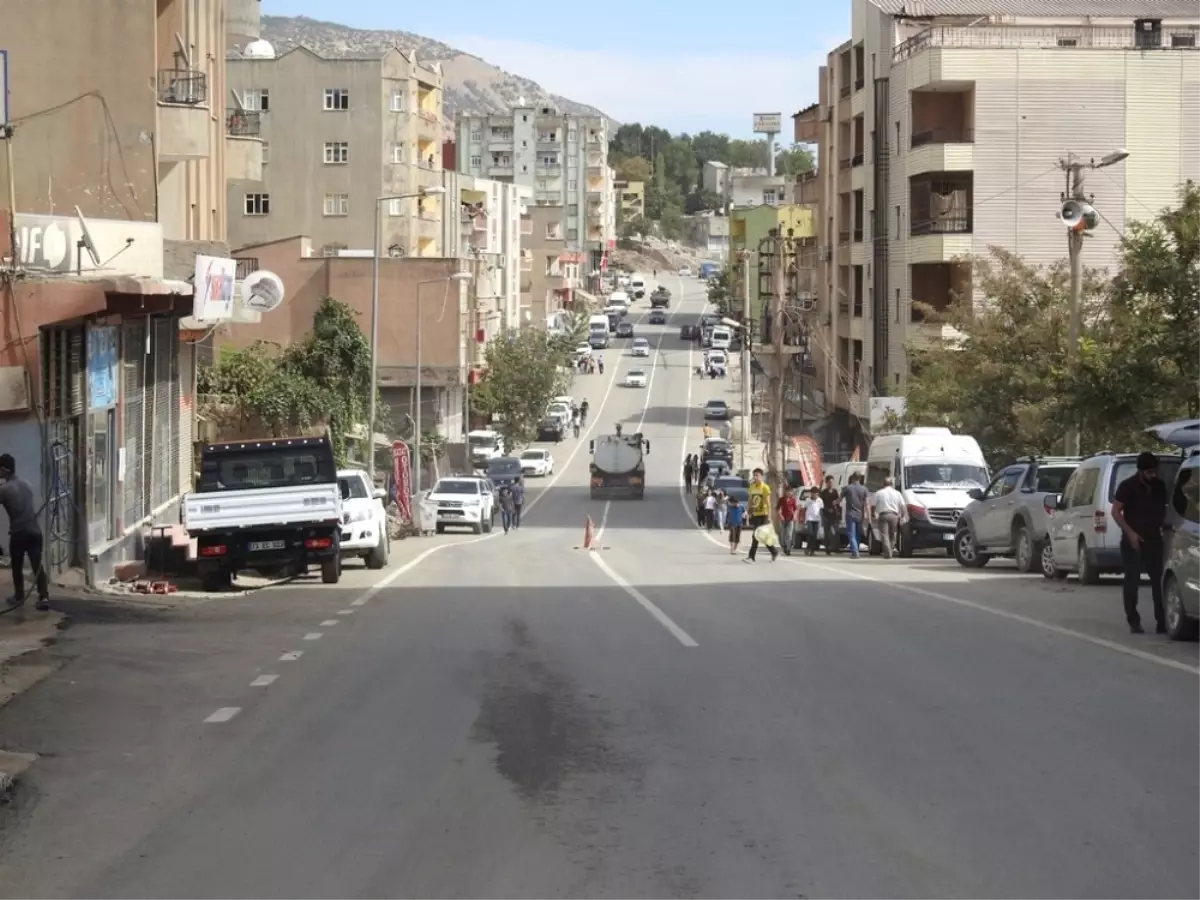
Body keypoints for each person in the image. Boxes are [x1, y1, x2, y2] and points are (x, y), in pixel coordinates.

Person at [1111, 451, 1169, 634]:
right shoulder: (1128, 486)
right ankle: (1134, 621)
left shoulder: (1160, 487)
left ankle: (1162, 621)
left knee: (1158, 580)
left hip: (1154, 538)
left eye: (1155, 471)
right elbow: (1115, 512)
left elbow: (1165, 510)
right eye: (1149, 472)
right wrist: (1130, 533)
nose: (1153, 475)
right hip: (1133, 539)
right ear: (1141, 471)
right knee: (1132, 580)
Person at [0, 454, 50, 610]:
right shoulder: (26, 484)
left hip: (19, 532)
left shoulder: (4, 489)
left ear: (4, 470)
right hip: (35, 531)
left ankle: (19, 596)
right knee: (37, 564)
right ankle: (44, 596)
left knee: (17, 566)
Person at [871, 476, 907, 559]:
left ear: (883, 484)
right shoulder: (897, 493)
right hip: (894, 515)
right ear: (892, 484)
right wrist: (904, 516)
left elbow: (873, 505)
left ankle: (888, 552)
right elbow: (903, 505)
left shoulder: (879, 493)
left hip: (883, 515)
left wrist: (874, 513)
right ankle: (889, 550)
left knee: (884, 535)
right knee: (893, 534)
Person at [745, 468, 773, 562]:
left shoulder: (765, 487)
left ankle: (751, 557)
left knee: (755, 536)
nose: (755, 477)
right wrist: (747, 512)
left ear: (762, 476)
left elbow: (769, 503)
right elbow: (749, 501)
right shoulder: (752, 487)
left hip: (763, 515)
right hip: (755, 514)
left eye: (757, 475)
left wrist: (769, 517)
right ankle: (774, 552)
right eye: (754, 475)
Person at [841, 472, 870, 559]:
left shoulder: (847, 488)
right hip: (860, 515)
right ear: (860, 479)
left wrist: (835, 502)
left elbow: (839, 499)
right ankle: (855, 550)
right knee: (857, 534)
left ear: (852, 478)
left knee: (851, 533)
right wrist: (868, 516)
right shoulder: (864, 489)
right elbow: (867, 503)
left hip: (850, 514)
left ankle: (855, 552)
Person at [819, 475, 841, 555]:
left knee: (835, 531)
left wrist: (837, 510)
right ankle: (827, 548)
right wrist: (827, 509)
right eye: (829, 482)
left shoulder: (835, 492)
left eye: (832, 482)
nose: (831, 484)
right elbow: (821, 504)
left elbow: (837, 501)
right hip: (826, 514)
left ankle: (836, 547)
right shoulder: (823, 493)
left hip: (834, 515)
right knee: (827, 532)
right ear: (826, 483)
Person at [776, 486, 798, 556]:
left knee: (789, 535)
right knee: (782, 535)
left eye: (790, 491)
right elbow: (778, 509)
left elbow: (795, 509)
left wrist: (794, 516)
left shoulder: (793, 500)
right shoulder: (781, 499)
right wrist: (780, 515)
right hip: (783, 519)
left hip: (790, 519)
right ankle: (784, 546)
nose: (789, 493)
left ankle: (788, 549)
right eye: (787, 491)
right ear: (785, 492)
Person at [803, 487, 824, 556]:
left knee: (814, 536)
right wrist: (803, 518)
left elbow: (821, 510)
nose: (814, 495)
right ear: (811, 493)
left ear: (817, 494)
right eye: (813, 493)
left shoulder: (820, 500)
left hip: (817, 519)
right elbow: (804, 509)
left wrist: (822, 519)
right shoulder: (808, 500)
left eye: (816, 493)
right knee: (810, 534)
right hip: (809, 519)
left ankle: (812, 550)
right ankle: (808, 548)